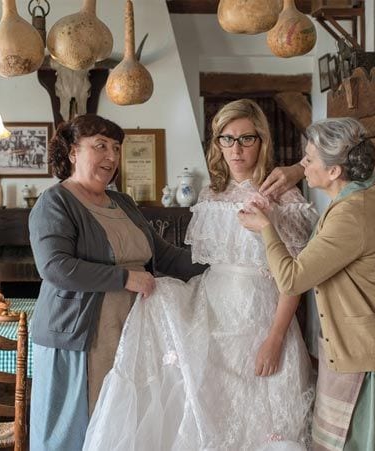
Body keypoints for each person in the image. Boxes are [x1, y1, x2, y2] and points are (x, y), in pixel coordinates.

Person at [84, 99, 319, 450]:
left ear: (262, 141)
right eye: (227, 139)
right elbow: (206, 268)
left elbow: (293, 276)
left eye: (246, 139)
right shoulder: (212, 193)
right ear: (217, 143)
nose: (236, 149)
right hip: (213, 322)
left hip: (262, 320)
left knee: (261, 422)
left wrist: (274, 339)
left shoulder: (283, 195)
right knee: (210, 416)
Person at [28, 114, 206, 450]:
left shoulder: (121, 202)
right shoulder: (55, 202)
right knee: (77, 431)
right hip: (77, 336)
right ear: (72, 153)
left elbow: (163, 254)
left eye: (116, 148)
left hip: (130, 329)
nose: (111, 157)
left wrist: (219, 264)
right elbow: (54, 267)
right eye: (100, 146)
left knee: (119, 425)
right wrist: (124, 277)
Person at [238, 117, 375, 451]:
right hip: (373, 339)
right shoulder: (374, 186)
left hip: (365, 356)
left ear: (335, 171)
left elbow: (291, 279)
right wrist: (297, 169)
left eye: (308, 159)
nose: (301, 165)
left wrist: (265, 227)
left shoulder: (352, 215)